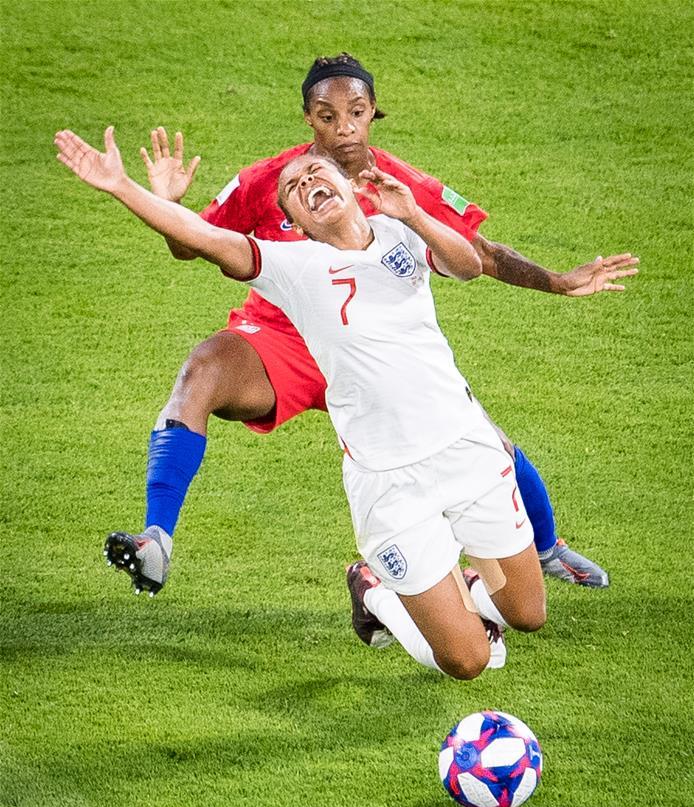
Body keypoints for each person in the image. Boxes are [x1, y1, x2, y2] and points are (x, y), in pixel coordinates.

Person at [109, 54, 636, 608]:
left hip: (376, 352)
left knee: (483, 442)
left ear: (373, 113)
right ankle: (156, 540)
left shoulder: (398, 185)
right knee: (202, 372)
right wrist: (165, 204)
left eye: (356, 113)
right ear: (308, 119)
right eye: (327, 115)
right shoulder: (270, 180)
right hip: (281, 344)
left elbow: (476, 253)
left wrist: (558, 282)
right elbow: (192, 241)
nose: (344, 128)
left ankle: (544, 549)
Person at [55, 125, 548, 679]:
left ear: (346, 185)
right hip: (390, 487)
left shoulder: (399, 231)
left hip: (467, 454)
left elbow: (468, 265)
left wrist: (414, 215)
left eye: (316, 171)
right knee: (469, 661)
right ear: (297, 221)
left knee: (526, 615)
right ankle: (375, 591)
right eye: (293, 186)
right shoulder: (294, 270)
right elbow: (201, 237)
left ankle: (454, 584)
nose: (307, 178)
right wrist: (123, 186)